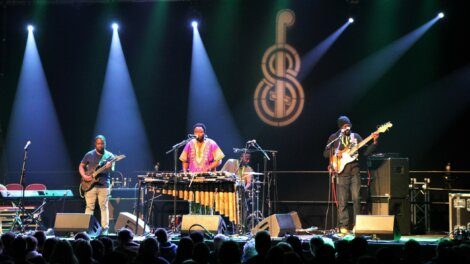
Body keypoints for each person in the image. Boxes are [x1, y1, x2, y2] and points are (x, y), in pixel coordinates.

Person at [323, 116, 378, 233]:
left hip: (354, 171)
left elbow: (366, 152)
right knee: (342, 201)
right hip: (341, 172)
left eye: (348, 125)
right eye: (344, 126)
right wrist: (336, 153)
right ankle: (343, 225)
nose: (347, 127)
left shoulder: (356, 137)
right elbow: (325, 153)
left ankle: (357, 225)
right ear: (340, 127)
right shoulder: (334, 137)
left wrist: (374, 141)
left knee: (356, 198)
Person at [79, 135, 115, 234]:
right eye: (98, 143)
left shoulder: (110, 156)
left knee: (104, 207)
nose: (100, 145)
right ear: (95, 144)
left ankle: (105, 230)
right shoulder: (89, 154)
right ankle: (86, 228)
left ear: (105, 144)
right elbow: (81, 166)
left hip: (104, 185)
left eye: (102, 144)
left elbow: (112, 170)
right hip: (90, 185)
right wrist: (84, 176)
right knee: (89, 207)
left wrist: (109, 167)